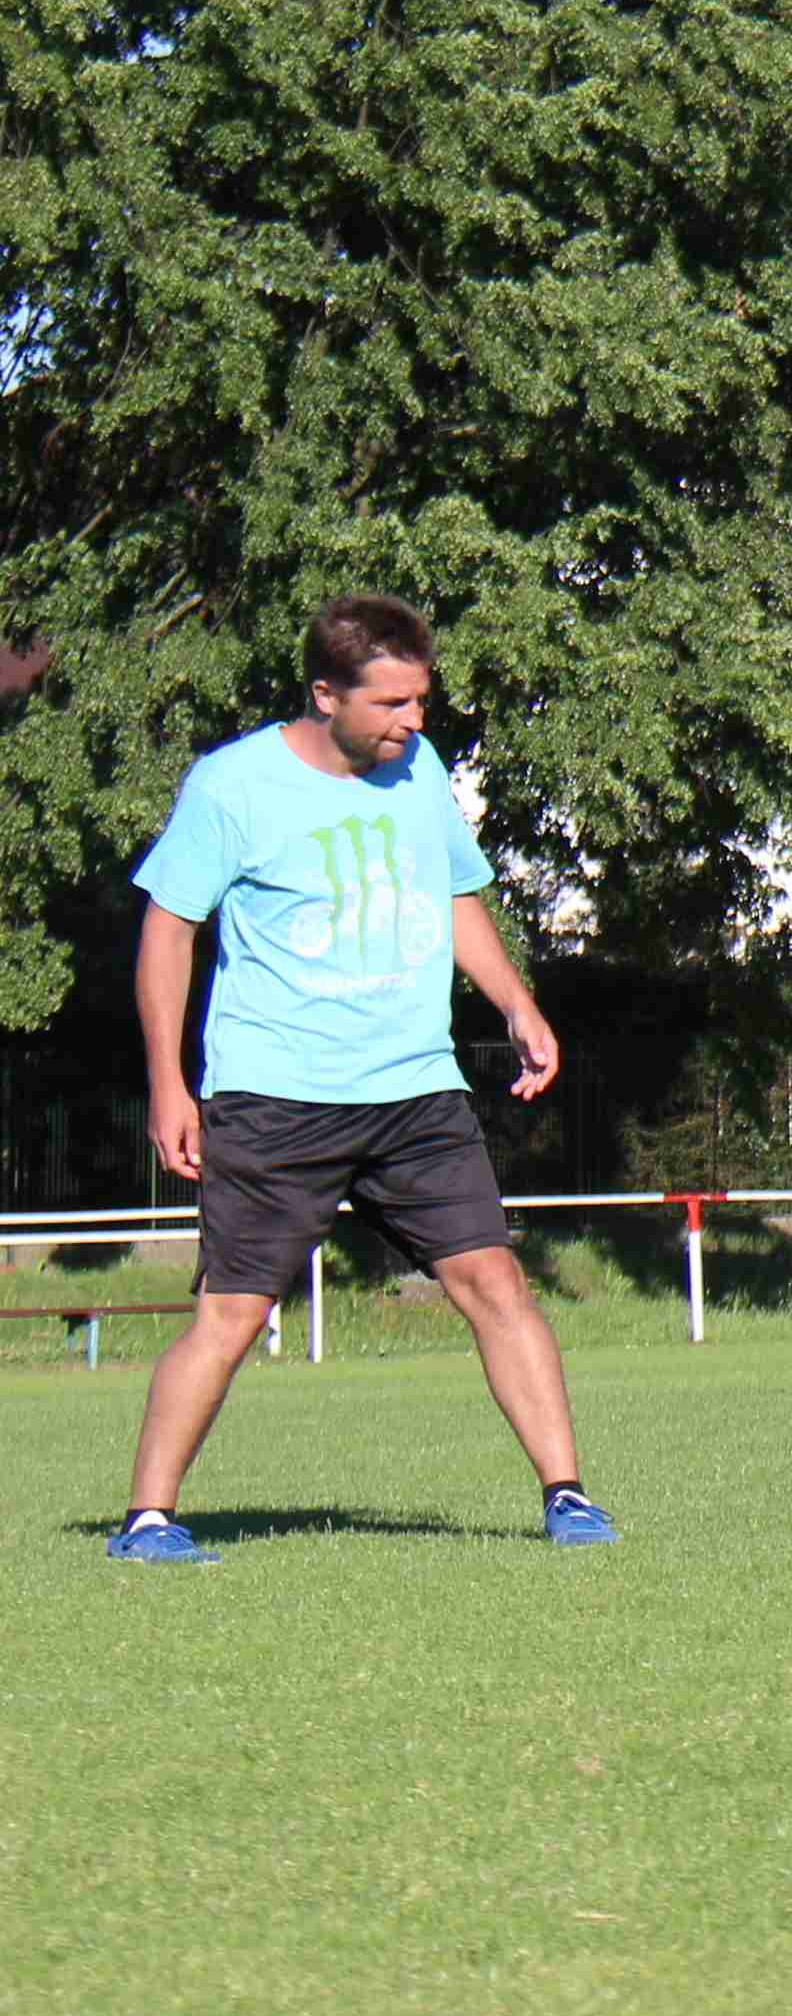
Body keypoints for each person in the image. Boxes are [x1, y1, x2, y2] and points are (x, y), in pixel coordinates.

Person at [110, 594, 611, 1561]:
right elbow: (168, 929)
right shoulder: (232, 786)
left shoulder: (419, 770)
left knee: (495, 1282)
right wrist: (169, 1085)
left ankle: (570, 1499)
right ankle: (148, 1520)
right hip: (274, 1098)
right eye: (389, 704)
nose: (411, 722)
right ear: (324, 694)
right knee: (232, 1316)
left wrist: (516, 1003)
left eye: (419, 701)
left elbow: (454, 896)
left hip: (414, 1091)